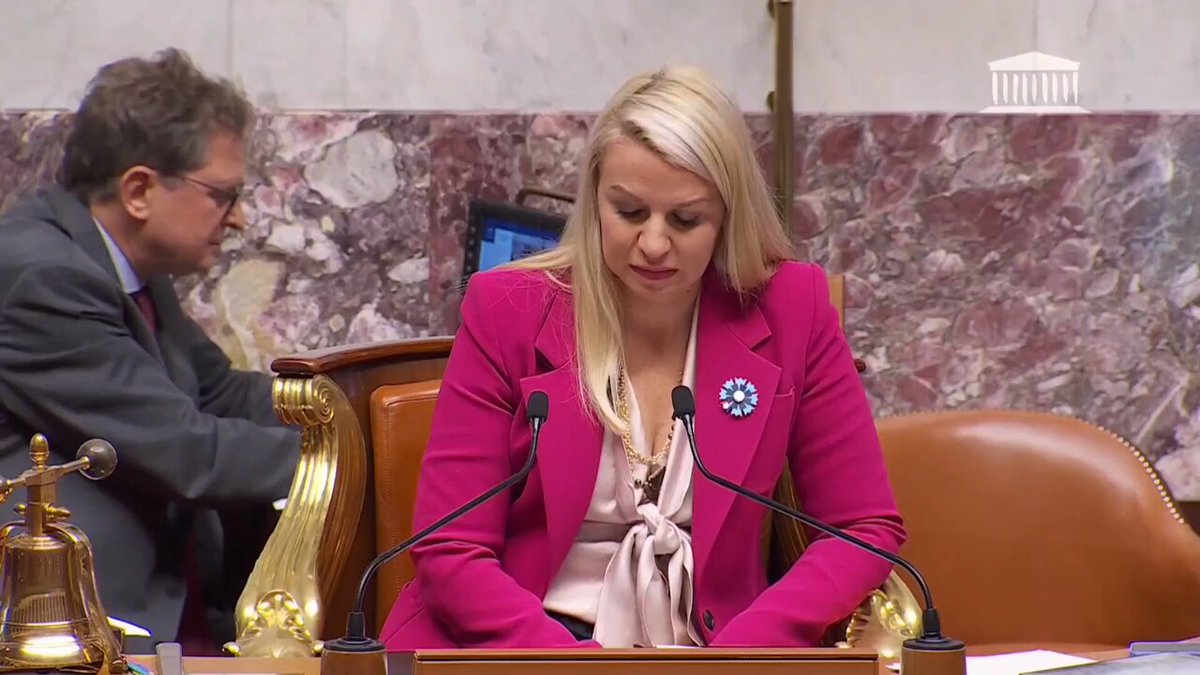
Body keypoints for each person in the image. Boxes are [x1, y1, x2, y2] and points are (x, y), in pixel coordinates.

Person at [380, 65, 906, 650]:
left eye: (686, 219)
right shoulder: (506, 309)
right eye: (629, 212)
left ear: (728, 217)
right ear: (594, 200)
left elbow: (861, 528)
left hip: (717, 648)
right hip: (527, 641)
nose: (654, 244)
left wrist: (743, 657)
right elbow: (451, 546)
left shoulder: (793, 308)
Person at [0, 49, 300, 653]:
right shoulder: (44, 276)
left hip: (171, 602)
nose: (239, 219)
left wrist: (354, 400)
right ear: (139, 190)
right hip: (79, 627)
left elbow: (221, 392)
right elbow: (188, 453)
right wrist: (354, 455)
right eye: (223, 195)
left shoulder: (124, 263)